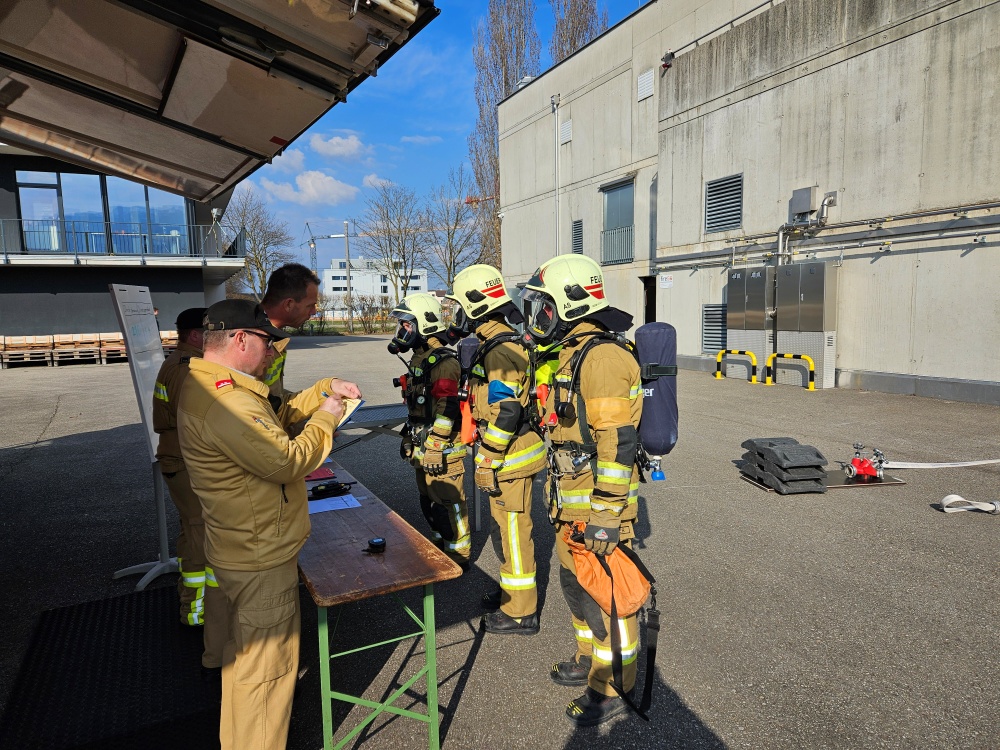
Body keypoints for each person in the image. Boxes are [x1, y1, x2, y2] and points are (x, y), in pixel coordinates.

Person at [177, 299, 360, 750]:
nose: (273, 351)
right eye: (267, 342)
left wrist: (324, 388)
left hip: (242, 547)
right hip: (259, 557)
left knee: (245, 668)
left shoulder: (216, 386)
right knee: (266, 679)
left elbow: (276, 418)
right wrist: (328, 416)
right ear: (241, 339)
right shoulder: (227, 401)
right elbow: (287, 460)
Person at [521, 254, 643, 727]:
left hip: (597, 508)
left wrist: (607, 515)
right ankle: (589, 659)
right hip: (572, 504)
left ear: (568, 305)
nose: (537, 316)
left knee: (609, 600)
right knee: (576, 587)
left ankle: (614, 686)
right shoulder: (575, 352)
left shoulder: (603, 358)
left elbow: (618, 442)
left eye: (543, 306)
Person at [445, 265, 546, 634]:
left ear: (476, 304)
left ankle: (521, 612)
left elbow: (507, 410)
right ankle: (511, 593)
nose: (456, 313)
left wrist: (487, 458)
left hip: (510, 457)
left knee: (515, 533)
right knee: (505, 530)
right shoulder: (495, 343)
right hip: (506, 454)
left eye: (459, 305)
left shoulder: (499, 350)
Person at [152, 307, 227, 677]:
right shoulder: (188, 370)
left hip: (179, 458)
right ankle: (194, 611)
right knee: (199, 532)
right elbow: (197, 422)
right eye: (210, 332)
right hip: (185, 460)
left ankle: (194, 602)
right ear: (196, 335)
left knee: (192, 530)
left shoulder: (180, 362)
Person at [388, 293, 470, 567]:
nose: (402, 331)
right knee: (428, 500)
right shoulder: (421, 359)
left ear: (424, 324)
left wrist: (435, 446)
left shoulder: (444, 362)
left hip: (442, 447)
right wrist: (409, 437)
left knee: (448, 503)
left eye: (406, 325)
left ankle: (459, 556)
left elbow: (447, 408)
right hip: (423, 443)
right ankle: (439, 548)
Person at [259, 263, 320, 398]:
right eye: (310, 305)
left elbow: (275, 396)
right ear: (289, 304)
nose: (314, 312)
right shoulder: (253, 343)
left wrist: (322, 395)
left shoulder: (275, 336)